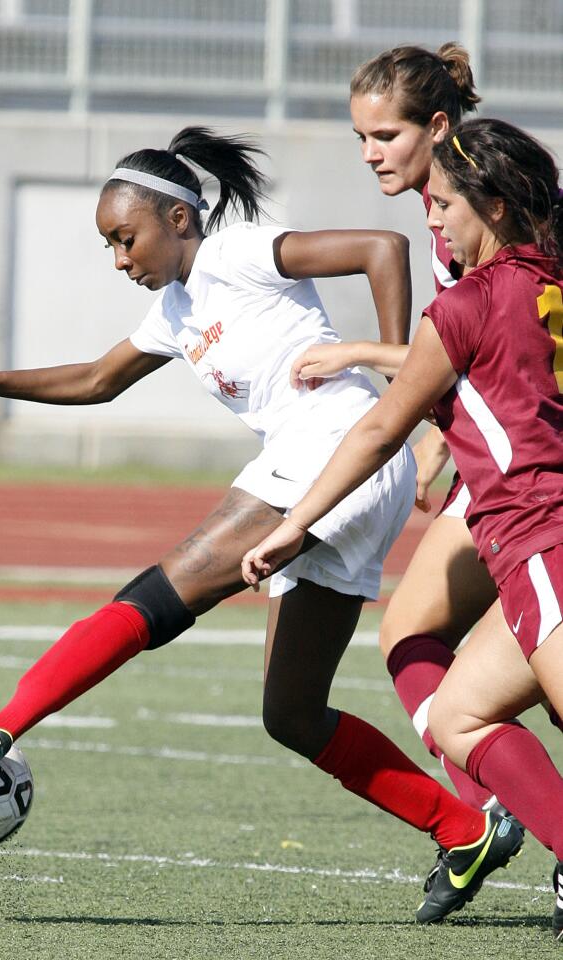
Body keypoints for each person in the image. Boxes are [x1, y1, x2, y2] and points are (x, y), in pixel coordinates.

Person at [0, 126, 522, 921]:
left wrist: (398, 376)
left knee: (159, 591)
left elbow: (380, 245)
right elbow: (96, 379)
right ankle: (466, 829)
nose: (120, 259)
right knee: (291, 714)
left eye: (127, 238)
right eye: (109, 246)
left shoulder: (237, 253)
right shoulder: (177, 309)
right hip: (335, 470)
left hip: (335, 449)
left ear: (180, 219)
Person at [241, 117, 563, 933]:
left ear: (491, 204)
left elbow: (382, 428)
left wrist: (294, 525)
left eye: (447, 204)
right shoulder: (549, 277)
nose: (436, 218)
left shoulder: (470, 303)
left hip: (543, 542)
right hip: (528, 545)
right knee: (459, 715)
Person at [348, 42, 525, 815]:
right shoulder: (441, 208)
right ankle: (494, 811)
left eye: (384, 136)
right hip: (505, 457)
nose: (369, 154)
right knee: (410, 634)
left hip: (535, 467)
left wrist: (359, 354)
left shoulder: (493, 197)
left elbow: (507, 337)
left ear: (439, 126)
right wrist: (438, 440)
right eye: (360, 138)